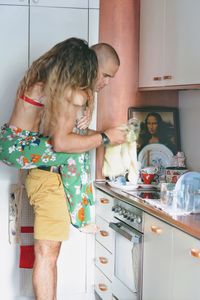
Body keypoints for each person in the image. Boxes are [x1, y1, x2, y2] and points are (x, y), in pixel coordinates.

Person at [0, 38, 125, 299]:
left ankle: (81, 213)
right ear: (87, 66)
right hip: (34, 166)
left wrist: (92, 131)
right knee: (72, 153)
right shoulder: (72, 93)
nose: (106, 83)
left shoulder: (50, 85)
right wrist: (105, 138)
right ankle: (82, 214)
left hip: (18, 148)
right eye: (105, 75)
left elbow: (59, 134)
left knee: (48, 255)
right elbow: (61, 142)